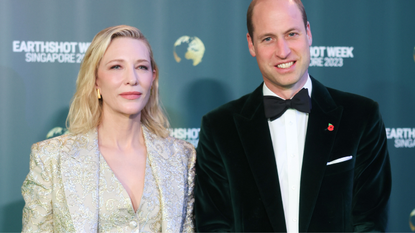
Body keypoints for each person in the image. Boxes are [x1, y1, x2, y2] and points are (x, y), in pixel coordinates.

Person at [194, 0, 391, 232]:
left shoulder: (361, 117)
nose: (283, 51)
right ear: (251, 44)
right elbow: (214, 224)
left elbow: (369, 221)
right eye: (268, 38)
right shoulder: (219, 127)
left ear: (308, 33)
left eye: (291, 34)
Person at [21, 25, 195, 232]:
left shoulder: (182, 156)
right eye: (116, 67)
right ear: (96, 80)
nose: (132, 79)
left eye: (141, 67)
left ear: (152, 77)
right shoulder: (51, 158)